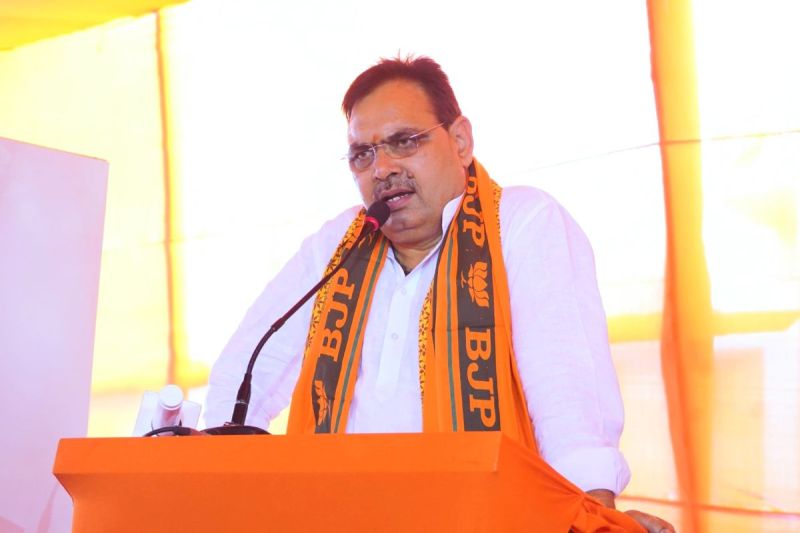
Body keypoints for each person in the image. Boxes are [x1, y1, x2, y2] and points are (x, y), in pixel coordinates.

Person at [205, 56, 674, 532]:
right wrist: (217, 492)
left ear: (460, 141)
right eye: (363, 154)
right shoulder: (337, 246)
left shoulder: (520, 223)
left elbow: (567, 391)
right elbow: (243, 373)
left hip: (488, 519)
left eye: (404, 141)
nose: (382, 168)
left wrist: (591, 516)